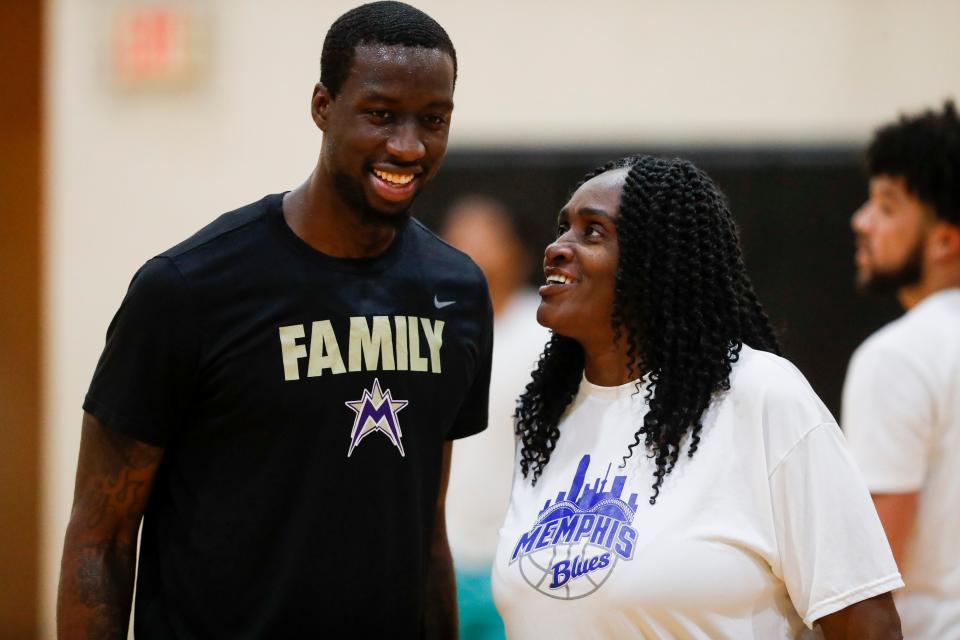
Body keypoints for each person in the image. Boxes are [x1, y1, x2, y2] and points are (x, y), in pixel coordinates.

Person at [56, 3, 493, 638]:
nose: (408, 145)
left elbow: (427, 534)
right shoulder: (187, 289)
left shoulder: (457, 290)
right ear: (322, 106)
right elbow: (102, 539)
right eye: (380, 114)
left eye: (433, 120)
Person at [491, 155, 904, 638]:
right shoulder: (547, 416)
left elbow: (869, 625)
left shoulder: (762, 396)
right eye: (563, 228)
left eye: (593, 232)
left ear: (656, 262)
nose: (557, 248)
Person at [842, 101, 960, 639]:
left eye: (887, 207)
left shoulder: (898, 357)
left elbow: (869, 575)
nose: (861, 220)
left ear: (944, 239)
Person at [440, 197, 550, 640]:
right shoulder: (429, 331)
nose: (472, 249)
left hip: (518, 556)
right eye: (460, 237)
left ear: (517, 252)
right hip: (441, 554)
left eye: (486, 237)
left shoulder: (545, 332)